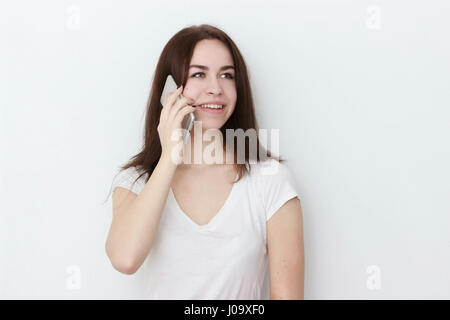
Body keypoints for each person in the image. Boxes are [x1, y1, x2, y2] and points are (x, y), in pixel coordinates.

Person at [105, 24, 304, 299]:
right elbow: (125, 259)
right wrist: (169, 157)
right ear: (169, 89)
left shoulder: (271, 180)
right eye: (199, 74)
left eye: (227, 75)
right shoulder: (136, 182)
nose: (216, 88)